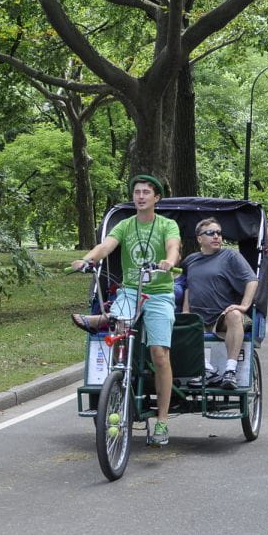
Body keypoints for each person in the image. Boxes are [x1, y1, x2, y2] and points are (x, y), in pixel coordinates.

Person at [70, 174, 181, 445]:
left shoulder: (167, 224)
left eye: (146, 192)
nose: (140, 196)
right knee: (119, 335)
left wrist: (168, 261)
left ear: (156, 198)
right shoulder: (125, 225)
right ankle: (118, 382)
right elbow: (105, 246)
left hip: (159, 293)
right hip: (130, 291)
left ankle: (163, 422)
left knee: (159, 354)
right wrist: (86, 260)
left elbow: (173, 247)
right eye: (137, 192)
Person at [181, 218, 259, 390]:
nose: (216, 236)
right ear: (200, 239)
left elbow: (252, 280)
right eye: (210, 233)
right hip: (198, 318)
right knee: (178, 323)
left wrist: (244, 306)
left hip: (223, 317)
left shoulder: (230, 256)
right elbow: (188, 287)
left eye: (218, 233)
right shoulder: (191, 260)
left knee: (235, 314)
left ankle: (230, 371)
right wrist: (185, 311)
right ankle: (207, 370)